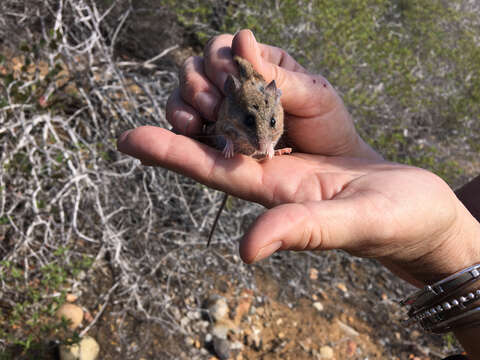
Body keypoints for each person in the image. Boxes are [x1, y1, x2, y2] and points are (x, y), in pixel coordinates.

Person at [117, 30, 480, 358]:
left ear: (277, 110)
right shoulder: (238, 105)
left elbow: (268, 132)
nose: (262, 139)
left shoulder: (272, 116)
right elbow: (463, 219)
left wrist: (448, 246)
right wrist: (353, 155)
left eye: (271, 126)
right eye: (252, 125)